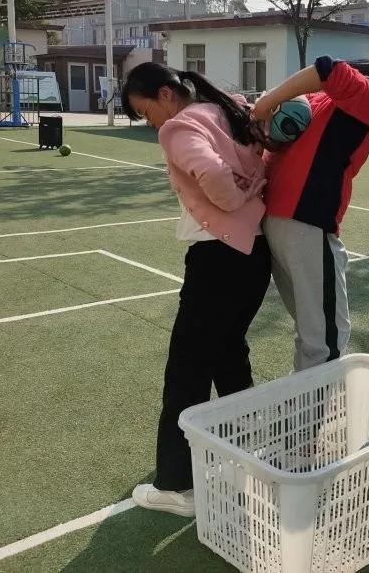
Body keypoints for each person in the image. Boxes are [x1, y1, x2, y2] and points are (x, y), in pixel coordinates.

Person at [121, 62, 272, 517]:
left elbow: (216, 181)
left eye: (146, 111)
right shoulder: (228, 109)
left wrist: (237, 197)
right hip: (254, 252)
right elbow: (261, 160)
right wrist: (253, 191)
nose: (150, 123)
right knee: (228, 357)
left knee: (187, 368)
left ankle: (175, 485)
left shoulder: (181, 125)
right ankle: (246, 453)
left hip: (217, 258)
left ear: (166, 94)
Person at [252, 55, 369, 372]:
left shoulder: (323, 101)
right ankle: (311, 418)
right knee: (326, 338)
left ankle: (301, 411)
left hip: (275, 217)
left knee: (312, 329)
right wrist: (266, 103)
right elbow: (327, 67)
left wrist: (269, 104)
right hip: (305, 219)